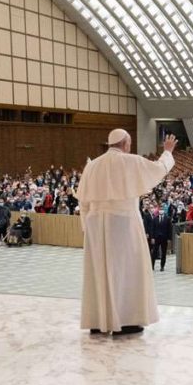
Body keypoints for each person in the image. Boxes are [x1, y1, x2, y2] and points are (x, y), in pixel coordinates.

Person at [76, 129, 177, 336]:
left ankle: (98, 321)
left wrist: (87, 226)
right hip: (123, 222)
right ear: (125, 144)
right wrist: (167, 151)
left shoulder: (92, 166)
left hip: (95, 222)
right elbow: (158, 170)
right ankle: (127, 321)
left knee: (99, 271)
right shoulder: (130, 161)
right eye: (129, 143)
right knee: (127, 271)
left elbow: (83, 201)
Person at [149, 205, 172, 271]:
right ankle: (152, 265)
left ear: (164, 211)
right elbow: (152, 229)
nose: (161, 211)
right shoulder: (155, 218)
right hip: (156, 238)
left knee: (163, 252)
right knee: (154, 252)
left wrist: (169, 239)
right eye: (160, 209)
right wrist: (152, 237)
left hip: (164, 238)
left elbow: (169, 229)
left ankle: (162, 266)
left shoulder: (167, 219)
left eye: (162, 209)